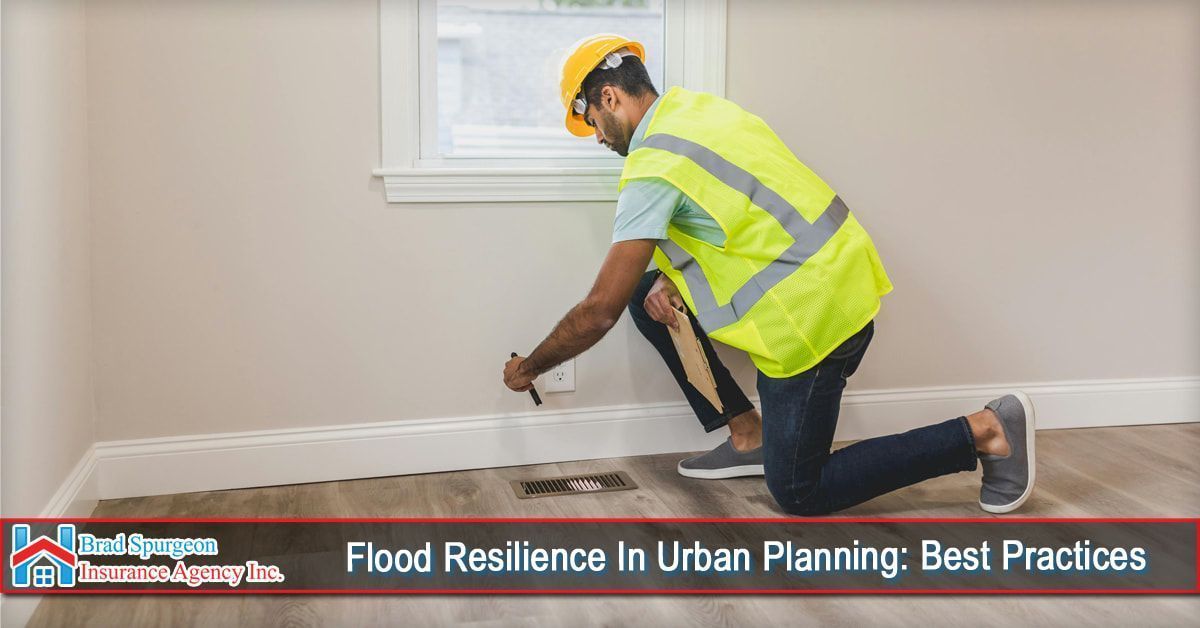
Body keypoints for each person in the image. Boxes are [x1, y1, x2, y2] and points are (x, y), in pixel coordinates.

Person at [503, 34, 1035, 515]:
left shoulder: (650, 167)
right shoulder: (700, 111)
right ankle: (747, 435)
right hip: (843, 275)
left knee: (801, 492)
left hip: (810, 322)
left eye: (591, 121)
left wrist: (533, 364)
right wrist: (667, 278)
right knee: (648, 291)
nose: (597, 138)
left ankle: (987, 432)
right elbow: (735, 213)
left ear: (609, 98)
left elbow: (599, 311)